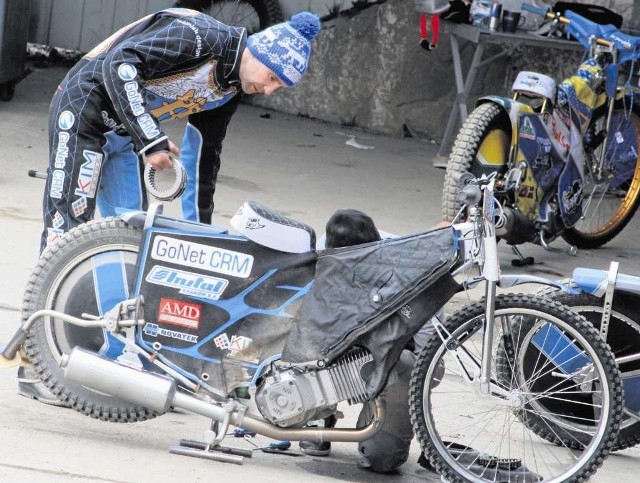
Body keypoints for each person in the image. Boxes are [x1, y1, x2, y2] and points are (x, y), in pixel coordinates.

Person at [20, 7, 321, 401]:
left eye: (280, 86)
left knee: (135, 241)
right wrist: (150, 139)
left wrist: (205, 238)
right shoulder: (201, 36)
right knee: (66, 231)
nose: (270, 91)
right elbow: (119, 65)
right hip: (84, 113)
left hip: (124, 136)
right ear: (259, 55)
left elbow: (203, 161)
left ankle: (117, 356)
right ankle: (37, 365)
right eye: (272, 78)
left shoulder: (229, 89)